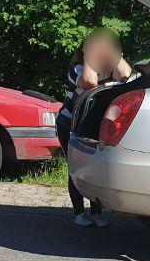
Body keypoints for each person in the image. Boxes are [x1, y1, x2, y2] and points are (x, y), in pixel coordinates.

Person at [55, 28, 131, 227]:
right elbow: (90, 82)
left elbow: (125, 74)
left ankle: (96, 213)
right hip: (70, 124)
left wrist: (112, 52)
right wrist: (90, 54)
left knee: (95, 168)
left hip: (93, 125)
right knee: (76, 167)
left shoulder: (109, 68)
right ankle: (79, 213)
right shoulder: (79, 69)